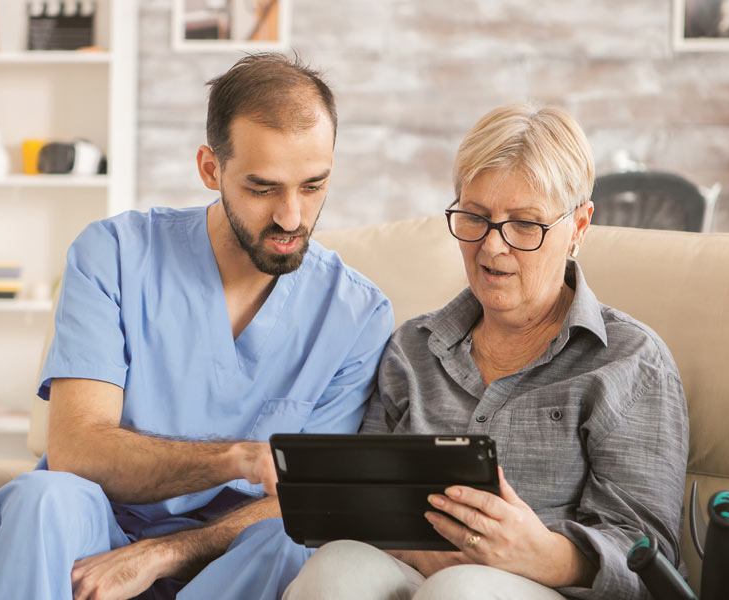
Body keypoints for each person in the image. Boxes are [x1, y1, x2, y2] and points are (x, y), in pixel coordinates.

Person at [0, 53, 394, 600]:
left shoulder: (357, 315)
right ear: (210, 169)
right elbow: (78, 450)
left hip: (230, 561)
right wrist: (236, 459)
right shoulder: (114, 255)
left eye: (313, 186)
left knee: (292, 540)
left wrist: (165, 553)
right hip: (95, 533)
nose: (292, 217)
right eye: (264, 188)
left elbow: (308, 499)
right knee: (42, 497)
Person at [284, 104, 689, 599]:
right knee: (337, 569)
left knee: (462, 591)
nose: (493, 247)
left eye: (524, 224)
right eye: (475, 217)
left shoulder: (631, 362)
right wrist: (415, 549)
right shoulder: (411, 350)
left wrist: (542, 554)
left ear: (579, 227)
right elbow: (359, 508)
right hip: (414, 577)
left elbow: (650, 564)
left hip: (549, 589)